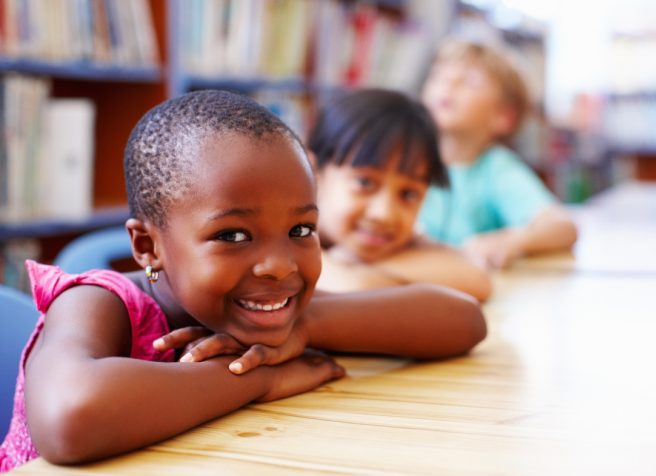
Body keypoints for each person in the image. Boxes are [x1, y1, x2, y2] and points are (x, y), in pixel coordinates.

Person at [0, 90, 487, 471]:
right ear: (148, 247)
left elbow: (463, 321)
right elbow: (70, 418)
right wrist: (257, 379)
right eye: (232, 235)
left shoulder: (265, 305)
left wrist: (307, 329)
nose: (279, 265)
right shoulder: (99, 302)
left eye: (301, 229)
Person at [308, 88, 491, 301]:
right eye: (365, 182)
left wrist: (361, 266)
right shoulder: (285, 238)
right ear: (312, 173)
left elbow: (477, 277)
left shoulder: (402, 241)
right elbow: (349, 288)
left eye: (408, 194)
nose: (383, 214)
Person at [418, 38, 578, 269]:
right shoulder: (401, 161)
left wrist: (513, 240)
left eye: (469, 82)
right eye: (439, 76)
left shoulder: (496, 168)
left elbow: (563, 227)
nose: (448, 85)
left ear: (504, 116)